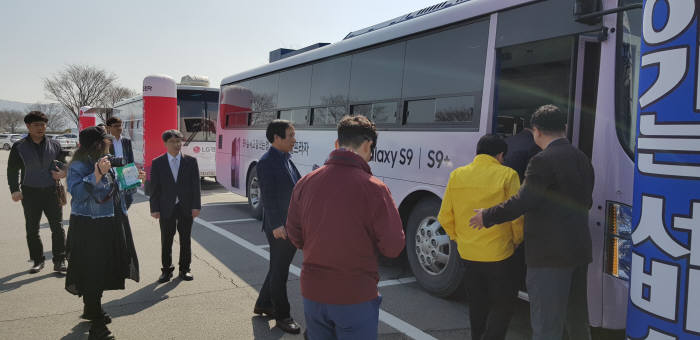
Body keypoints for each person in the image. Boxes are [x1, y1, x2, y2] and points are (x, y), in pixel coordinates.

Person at [470, 105, 595, 340]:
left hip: (549, 256)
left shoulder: (542, 161)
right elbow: (586, 201)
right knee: (577, 321)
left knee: (546, 325)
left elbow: (521, 202)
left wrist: (486, 216)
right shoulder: (582, 158)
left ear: (536, 131)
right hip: (579, 251)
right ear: (564, 128)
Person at [286, 115, 405, 340]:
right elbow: (393, 246)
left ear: (336, 145)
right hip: (355, 294)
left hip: (313, 292)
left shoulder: (305, 182)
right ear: (368, 145)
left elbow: (294, 233)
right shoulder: (375, 188)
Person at [437, 134, 523, 340]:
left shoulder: (457, 175)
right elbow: (517, 217)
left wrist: (459, 239)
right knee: (503, 304)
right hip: (499, 254)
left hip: (468, 254)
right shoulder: (508, 175)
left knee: (477, 302)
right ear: (500, 154)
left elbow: (445, 216)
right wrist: (515, 241)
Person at [65, 126, 142, 340]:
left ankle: (91, 309)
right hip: (89, 225)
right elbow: (78, 194)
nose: (109, 143)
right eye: (106, 141)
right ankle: (97, 327)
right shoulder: (80, 165)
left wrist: (134, 180)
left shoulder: (105, 160)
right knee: (93, 271)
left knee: (102, 268)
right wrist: (96, 175)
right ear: (97, 144)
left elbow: (114, 190)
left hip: (110, 221)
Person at [253, 119, 302, 334]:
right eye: (290, 135)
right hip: (279, 228)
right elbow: (269, 197)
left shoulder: (286, 159)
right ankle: (282, 316)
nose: (294, 139)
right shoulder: (266, 162)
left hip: (289, 224)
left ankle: (263, 304)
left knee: (276, 268)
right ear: (277, 138)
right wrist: (276, 225)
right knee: (280, 272)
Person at [7, 111, 68, 273]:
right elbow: (12, 170)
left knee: (58, 226)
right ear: (28, 126)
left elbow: (63, 164)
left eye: (43, 124)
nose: (41, 128)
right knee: (32, 229)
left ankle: (60, 260)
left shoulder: (55, 144)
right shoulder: (19, 146)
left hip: (52, 191)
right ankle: (38, 260)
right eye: (36, 125)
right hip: (30, 192)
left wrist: (63, 172)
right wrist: (14, 190)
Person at [149, 129, 201, 283]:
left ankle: (185, 269)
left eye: (179, 141)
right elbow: (154, 188)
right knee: (166, 239)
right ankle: (166, 270)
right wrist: (155, 208)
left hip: (186, 206)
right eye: (172, 141)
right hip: (166, 207)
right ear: (165, 143)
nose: (177, 144)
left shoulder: (191, 161)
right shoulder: (157, 163)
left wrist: (196, 206)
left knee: (186, 239)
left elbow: (195, 186)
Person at [106, 117, 136, 209]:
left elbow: (131, 159)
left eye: (120, 126)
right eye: (115, 126)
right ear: (109, 128)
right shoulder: (106, 141)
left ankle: (122, 216)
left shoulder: (126, 141)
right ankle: (118, 219)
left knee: (129, 199)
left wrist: (133, 174)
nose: (119, 128)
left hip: (125, 175)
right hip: (111, 176)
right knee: (113, 201)